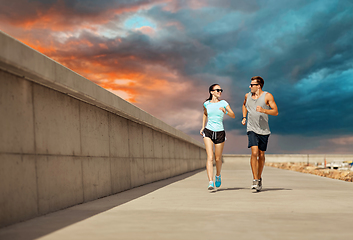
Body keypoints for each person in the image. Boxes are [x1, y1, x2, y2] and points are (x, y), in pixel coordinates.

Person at [242, 76, 278, 191]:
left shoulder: (267, 96)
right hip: (251, 128)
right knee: (254, 152)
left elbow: (275, 112)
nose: (250, 86)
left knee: (261, 155)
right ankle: (255, 179)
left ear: (258, 86)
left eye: (252, 85)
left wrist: (263, 110)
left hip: (264, 130)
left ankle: (259, 177)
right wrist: (244, 117)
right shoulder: (247, 96)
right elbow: (244, 105)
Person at [200, 84, 235, 190]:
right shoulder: (206, 104)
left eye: (221, 90)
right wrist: (202, 127)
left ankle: (218, 176)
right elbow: (205, 114)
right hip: (208, 131)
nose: (220, 91)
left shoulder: (223, 103)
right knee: (210, 157)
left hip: (220, 132)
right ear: (211, 92)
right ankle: (210, 182)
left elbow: (233, 115)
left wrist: (226, 112)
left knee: (218, 158)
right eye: (217, 90)